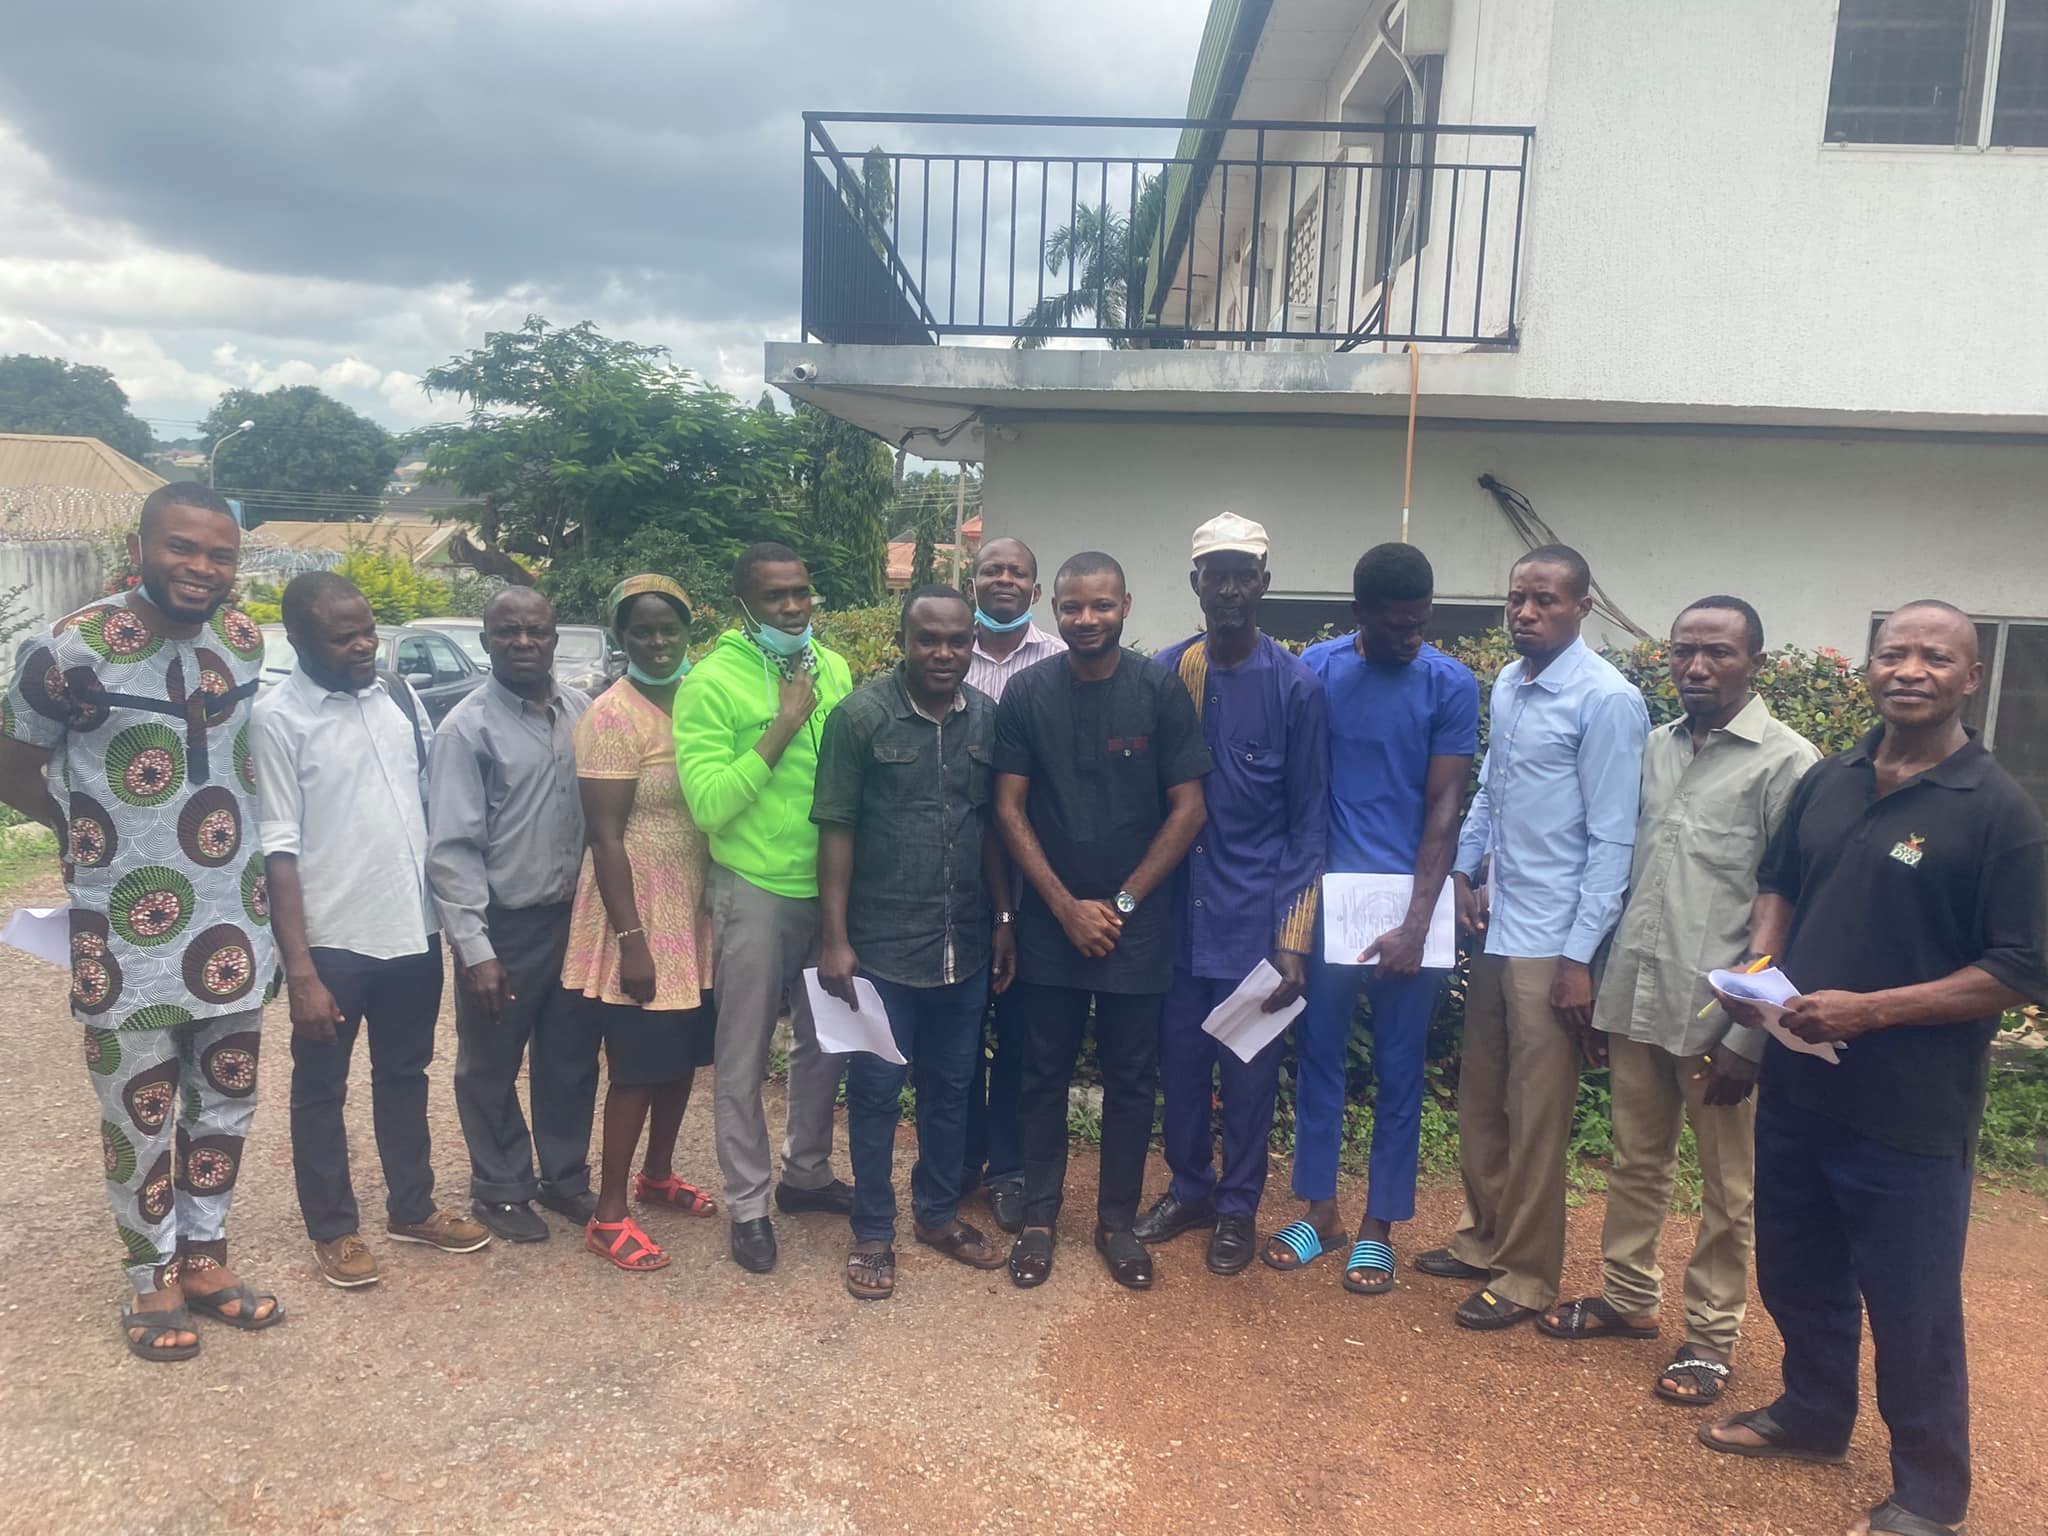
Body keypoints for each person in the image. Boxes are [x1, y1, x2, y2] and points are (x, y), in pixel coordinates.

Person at [1701, 601, 2048, 1536]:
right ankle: (1813, 1415)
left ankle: (1931, 1492)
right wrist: (1761, 970)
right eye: (1894, 653)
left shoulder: (1998, 812)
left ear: (1971, 677)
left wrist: (1875, 1009)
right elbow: (1779, 880)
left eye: (1935, 657)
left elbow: (2021, 969)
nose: (1910, 670)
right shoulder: (1832, 777)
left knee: (1912, 1305)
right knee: (1797, 1266)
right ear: (1869, 669)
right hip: (1801, 1078)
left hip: (1911, 1110)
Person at [0, 484, 281, 1358]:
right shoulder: (67, 649)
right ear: (140, 547)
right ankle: (148, 1277)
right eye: (181, 547)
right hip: (123, 924)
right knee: (138, 1111)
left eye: (220, 554)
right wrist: (76, 832)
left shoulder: (243, 641)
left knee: (225, 1097)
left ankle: (204, 1259)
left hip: (234, 915)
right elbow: (10, 763)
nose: (201, 568)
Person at [1539, 597, 1818, 1404]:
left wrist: (1751, 1037)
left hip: (1720, 1016)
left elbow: (1790, 901)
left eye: (1718, 653)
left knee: (1729, 1187)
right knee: (1636, 1159)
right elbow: (1621, 870)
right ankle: (1629, 1298)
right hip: (1637, 992)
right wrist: (1599, 981)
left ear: (1755, 664)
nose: (1697, 667)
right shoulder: (1654, 748)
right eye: (1683, 651)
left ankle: (1710, 1337)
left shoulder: (1788, 763)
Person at [1419, 543, 1650, 1330]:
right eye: (1518, 597)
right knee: (1482, 1093)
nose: (1525, 612)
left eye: (1545, 600)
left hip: (1555, 939)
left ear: (1583, 607)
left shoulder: (1606, 700)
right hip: (1498, 922)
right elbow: (1490, 792)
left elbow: (1614, 839)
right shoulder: (1512, 685)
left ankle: (1526, 1275)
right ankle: (1483, 1238)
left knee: (1538, 1111)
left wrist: (1580, 958)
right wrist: (1462, 870)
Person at [256, 572, 489, 1288]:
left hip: (412, 930)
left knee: (405, 1075)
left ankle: (411, 1208)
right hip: (332, 940)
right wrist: (300, 971)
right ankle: (333, 1229)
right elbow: (278, 850)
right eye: (343, 636)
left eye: (367, 631)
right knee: (320, 1089)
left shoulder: (396, 696)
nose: (363, 646)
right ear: (299, 641)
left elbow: (429, 804)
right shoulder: (277, 719)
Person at [993, 551, 1210, 1290]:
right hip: (1050, 922)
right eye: (1073, 607)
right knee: (1041, 1074)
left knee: (1131, 1080)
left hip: (1134, 927)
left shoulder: (1158, 691)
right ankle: (1039, 1220)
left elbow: (1189, 810)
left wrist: (1119, 906)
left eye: (1102, 606)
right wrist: (1062, 906)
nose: (1087, 619)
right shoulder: (1027, 693)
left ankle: (1115, 1221)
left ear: (1126, 607)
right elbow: (1008, 809)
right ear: (1054, 609)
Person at [1270, 543, 1476, 1292]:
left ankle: (1379, 1226)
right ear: (1359, 613)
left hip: (1412, 912)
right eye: (1395, 625)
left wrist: (1417, 924)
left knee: (1398, 1067)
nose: (1411, 636)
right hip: (1330, 906)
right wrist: (1293, 919)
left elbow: (1445, 806)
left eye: (1421, 622)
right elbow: (1296, 797)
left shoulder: (1450, 685)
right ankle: (1320, 1211)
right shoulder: (1317, 670)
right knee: (1319, 1056)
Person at [1133, 513, 1327, 1275]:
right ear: (1196, 583)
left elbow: (1309, 826)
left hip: (1255, 925)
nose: (1230, 589)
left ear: (1265, 584)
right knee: (1179, 1068)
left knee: (1248, 1080)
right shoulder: (1168, 672)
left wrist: (1293, 939)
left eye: (1244, 575)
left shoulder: (1296, 688)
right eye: (1217, 575)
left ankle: (1239, 1208)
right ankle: (1190, 1189)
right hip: (1178, 921)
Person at [814, 584, 1017, 1299]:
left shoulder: (987, 718)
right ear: (903, 641)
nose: (943, 652)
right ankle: (873, 1229)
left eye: (957, 640)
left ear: (973, 643)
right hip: (880, 947)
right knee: (875, 1091)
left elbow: (991, 829)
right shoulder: (860, 717)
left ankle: (935, 1214)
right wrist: (834, 938)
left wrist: (1003, 919)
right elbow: (835, 828)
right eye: (928, 639)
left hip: (963, 943)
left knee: (952, 1087)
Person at [675, 542, 855, 1274]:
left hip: (831, 888)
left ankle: (806, 1173)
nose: (792, 607)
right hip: (753, 888)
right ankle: (748, 1204)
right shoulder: (709, 683)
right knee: (743, 1052)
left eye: (801, 592)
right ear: (742, 606)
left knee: (826, 1043)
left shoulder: (835, 667)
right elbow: (709, 806)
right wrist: (782, 724)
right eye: (775, 596)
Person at [428, 588, 599, 1243]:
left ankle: (564, 1177)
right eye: (507, 632)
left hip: (576, 919)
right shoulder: (465, 729)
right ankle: (500, 1188)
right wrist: (475, 950)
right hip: (505, 925)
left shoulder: (583, 712)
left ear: (555, 638)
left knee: (570, 1058)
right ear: (485, 642)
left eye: (536, 630)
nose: (523, 642)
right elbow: (452, 849)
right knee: (491, 1063)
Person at [561, 576, 719, 1273]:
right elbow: (604, 836)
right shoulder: (611, 716)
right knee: (636, 1067)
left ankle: (658, 1176)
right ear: (621, 638)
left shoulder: (701, 698)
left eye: (668, 629)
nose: (657, 642)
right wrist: (632, 941)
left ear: (688, 632)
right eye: (641, 631)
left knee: (681, 1058)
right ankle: (608, 1213)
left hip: (693, 911)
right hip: (640, 911)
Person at [960, 535, 1065, 1233]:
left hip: (1034, 880)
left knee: (1023, 1036)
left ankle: (1009, 1168)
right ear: (972, 582)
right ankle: (958, 1159)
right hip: (953, 882)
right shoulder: (943, 652)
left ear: (1035, 589)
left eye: (1017, 571)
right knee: (958, 1037)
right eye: (991, 569)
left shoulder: (1060, 660)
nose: (1004, 579)